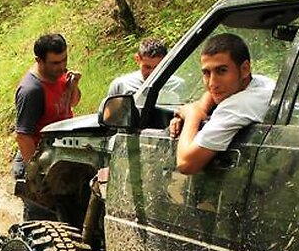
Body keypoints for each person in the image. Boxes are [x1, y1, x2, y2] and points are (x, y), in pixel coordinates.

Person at [168, 33, 275, 175]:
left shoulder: (239, 105)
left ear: (245, 69)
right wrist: (201, 108)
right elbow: (212, 94)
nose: (212, 83)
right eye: (206, 73)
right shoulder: (261, 84)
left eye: (221, 71)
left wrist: (191, 115)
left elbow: (186, 164)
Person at [12, 34, 82, 215]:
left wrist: (73, 85)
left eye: (64, 60)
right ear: (39, 61)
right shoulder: (31, 90)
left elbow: (72, 103)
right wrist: (36, 174)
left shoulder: (61, 75)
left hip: (60, 160)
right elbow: (23, 136)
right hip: (38, 161)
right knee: (41, 222)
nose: (62, 66)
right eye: (55, 63)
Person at [99, 37, 185, 110]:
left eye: (157, 68)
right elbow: (109, 117)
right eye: (147, 67)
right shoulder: (121, 85)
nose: (152, 73)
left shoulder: (178, 85)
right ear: (137, 59)